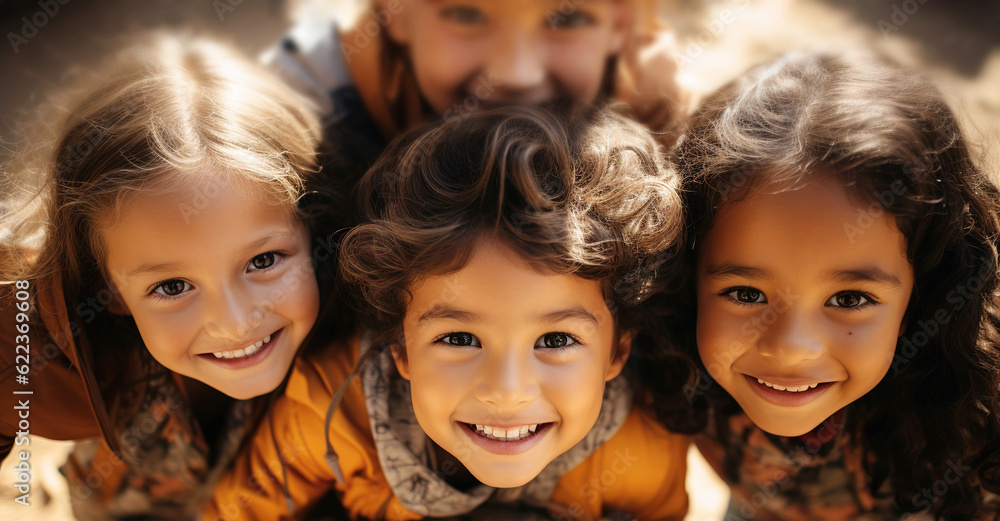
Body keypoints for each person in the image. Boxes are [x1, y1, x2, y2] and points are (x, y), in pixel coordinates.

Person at [206, 105, 692, 520]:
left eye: (556, 340)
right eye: (459, 339)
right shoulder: (332, 414)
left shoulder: (645, 452)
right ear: (399, 347)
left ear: (617, 352)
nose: (506, 391)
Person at [0, 33, 343, 519]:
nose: (234, 322)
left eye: (263, 262)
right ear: (107, 289)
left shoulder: (366, 318)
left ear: (313, 230)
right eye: (172, 286)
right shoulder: (48, 351)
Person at [671, 52, 1000, 519]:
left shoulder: (975, 433)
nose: (789, 349)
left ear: (923, 294)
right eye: (746, 294)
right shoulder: (659, 355)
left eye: (849, 299)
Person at [265, 0, 688, 197]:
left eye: (568, 17)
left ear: (620, 22)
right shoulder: (297, 102)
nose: (516, 75)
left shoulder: (653, 109)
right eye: (465, 14)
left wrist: (662, 134)